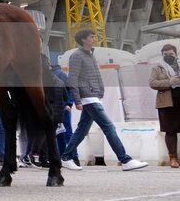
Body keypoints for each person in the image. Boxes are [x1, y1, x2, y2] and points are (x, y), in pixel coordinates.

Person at [59, 29, 147, 171]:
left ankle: (66, 157)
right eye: (91, 37)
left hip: (94, 96)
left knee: (82, 130)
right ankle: (125, 160)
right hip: (88, 97)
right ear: (83, 40)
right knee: (109, 127)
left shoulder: (90, 55)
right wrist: (77, 100)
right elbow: (72, 79)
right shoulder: (76, 56)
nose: (94, 39)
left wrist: (100, 91)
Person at [150, 43, 180, 168]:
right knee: (170, 131)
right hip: (167, 102)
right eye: (165, 54)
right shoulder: (157, 67)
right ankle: (173, 158)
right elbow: (152, 83)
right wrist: (170, 82)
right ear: (162, 55)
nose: (168, 56)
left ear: (176, 54)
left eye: (171, 54)